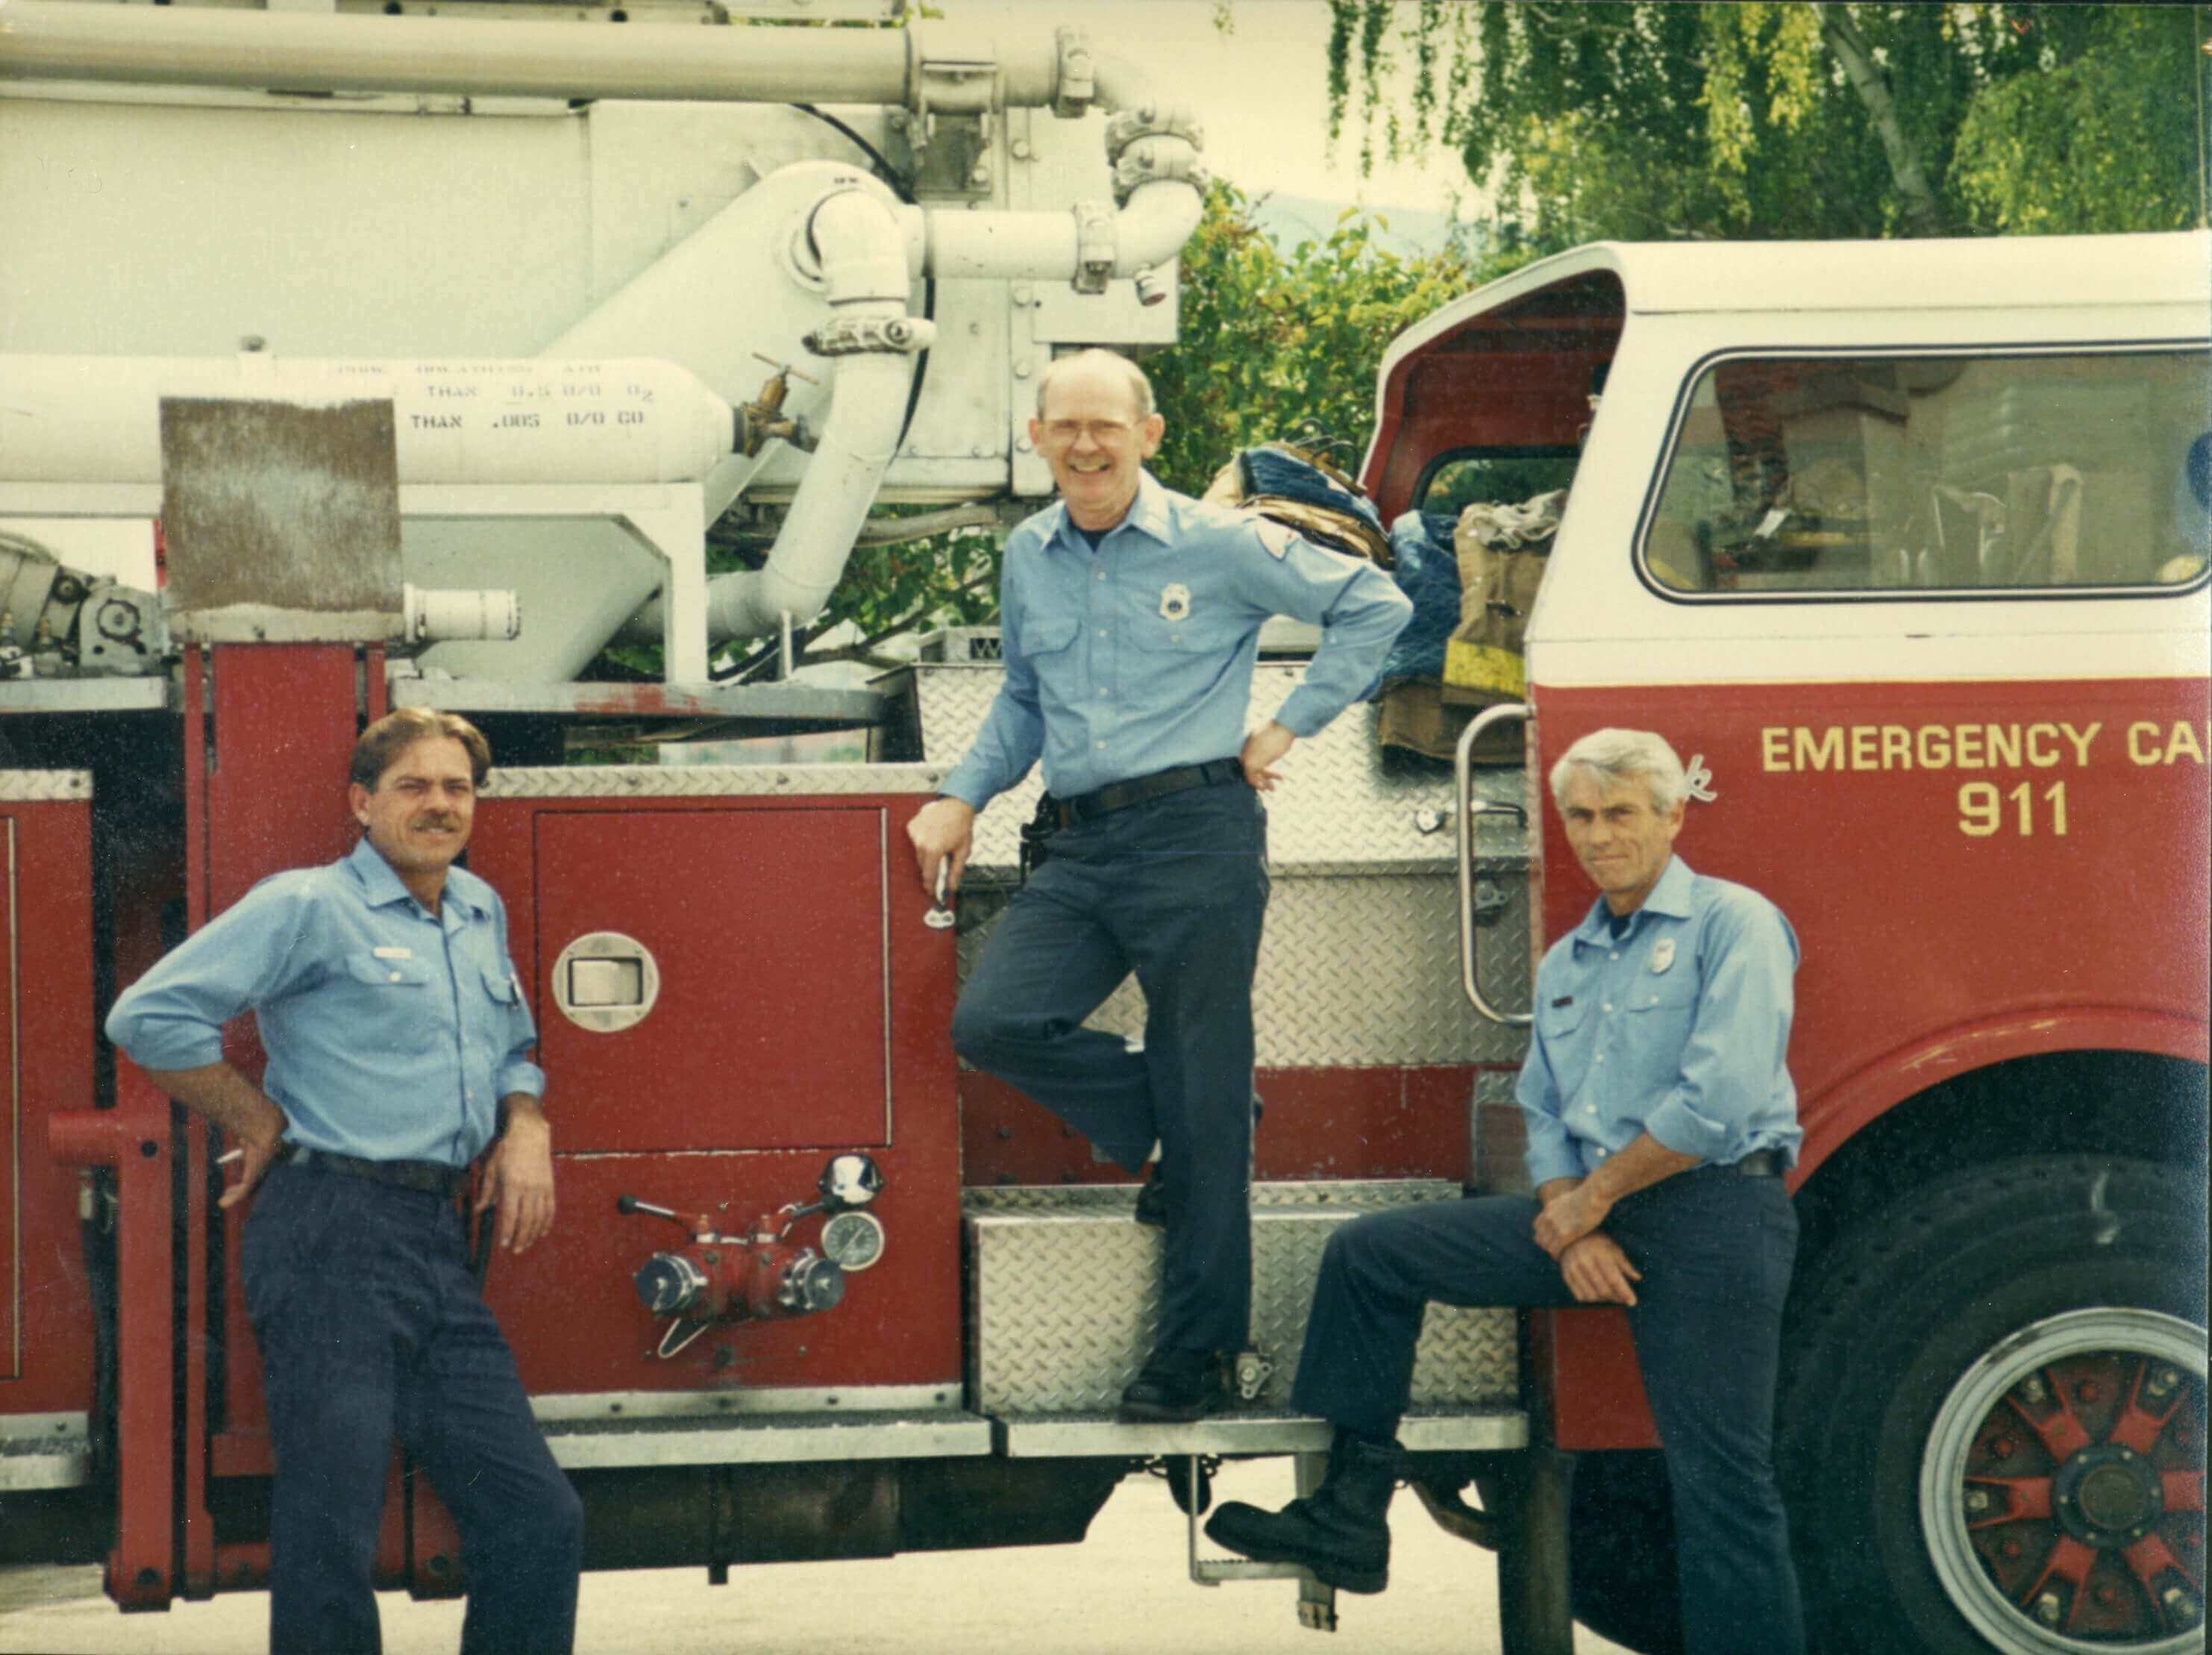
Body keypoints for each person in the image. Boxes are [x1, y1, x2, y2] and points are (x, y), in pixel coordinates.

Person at [1206, 728, 1806, 1655]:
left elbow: (1719, 1101)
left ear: (1672, 815)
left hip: (1716, 1213)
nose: (1599, 834)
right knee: (1373, 1253)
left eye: (1620, 813)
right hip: (1594, 1211)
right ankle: (1349, 1515)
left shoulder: (1736, 923)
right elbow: (1541, 1108)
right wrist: (1570, 1226)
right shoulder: (1570, 960)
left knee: (1720, 1480)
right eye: (1580, 816)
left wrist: (1590, 1202)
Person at [907, 348, 1412, 1422]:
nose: (1085, 444)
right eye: (1064, 426)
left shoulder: (1221, 542)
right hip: (1080, 847)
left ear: (1149, 432)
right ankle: (1182, 1122)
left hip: (1196, 836)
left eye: (1106, 424)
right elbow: (1023, 701)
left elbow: (1372, 603)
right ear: (1036, 437)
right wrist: (961, 794)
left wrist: (1288, 723)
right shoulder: (1030, 554)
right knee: (995, 1018)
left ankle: (1195, 1354)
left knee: (1204, 1089)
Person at [106, 707, 583, 1655]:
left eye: (457, 787)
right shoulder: (307, 905)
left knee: (538, 1517)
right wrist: (252, 1116)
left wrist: (525, 1119)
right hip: (330, 1231)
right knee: (333, 1530)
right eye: (414, 786)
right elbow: (148, 1015)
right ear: (362, 803)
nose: (439, 804)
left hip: (435, 1245)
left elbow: (514, 1047)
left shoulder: (477, 910)